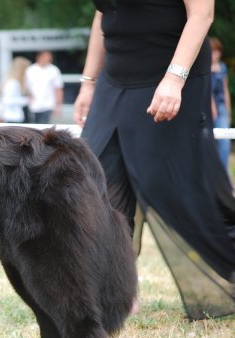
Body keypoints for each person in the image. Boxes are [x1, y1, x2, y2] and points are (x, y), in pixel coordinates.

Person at [74, 0, 235, 320]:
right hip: (114, 79)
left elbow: (202, 14)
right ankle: (114, 293)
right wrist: (88, 83)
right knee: (97, 180)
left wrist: (175, 80)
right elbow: (104, 13)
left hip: (170, 74)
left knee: (176, 192)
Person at [210, 37, 232, 172]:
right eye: (213, 51)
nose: (215, 54)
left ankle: (223, 174)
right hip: (208, 108)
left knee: (225, 140)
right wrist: (212, 107)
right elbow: (207, 89)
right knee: (210, 142)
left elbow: (225, 89)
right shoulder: (204, 67)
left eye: (217, 51)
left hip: (221, 107)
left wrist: (228, 110)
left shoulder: (223, 67)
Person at [25, 50, 63, 124]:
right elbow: (27, 87)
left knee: (44, 126)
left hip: (48, 105)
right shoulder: (30, 70)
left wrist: (58, 105)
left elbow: (58, 88)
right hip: (34, 105)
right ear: (39, 57)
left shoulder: (54, 70)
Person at [1, 56, 31, 124]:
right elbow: (8, 100)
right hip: (13, 117)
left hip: (14, 117)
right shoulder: (13, 83)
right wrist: (26, 100)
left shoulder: (14, 82)